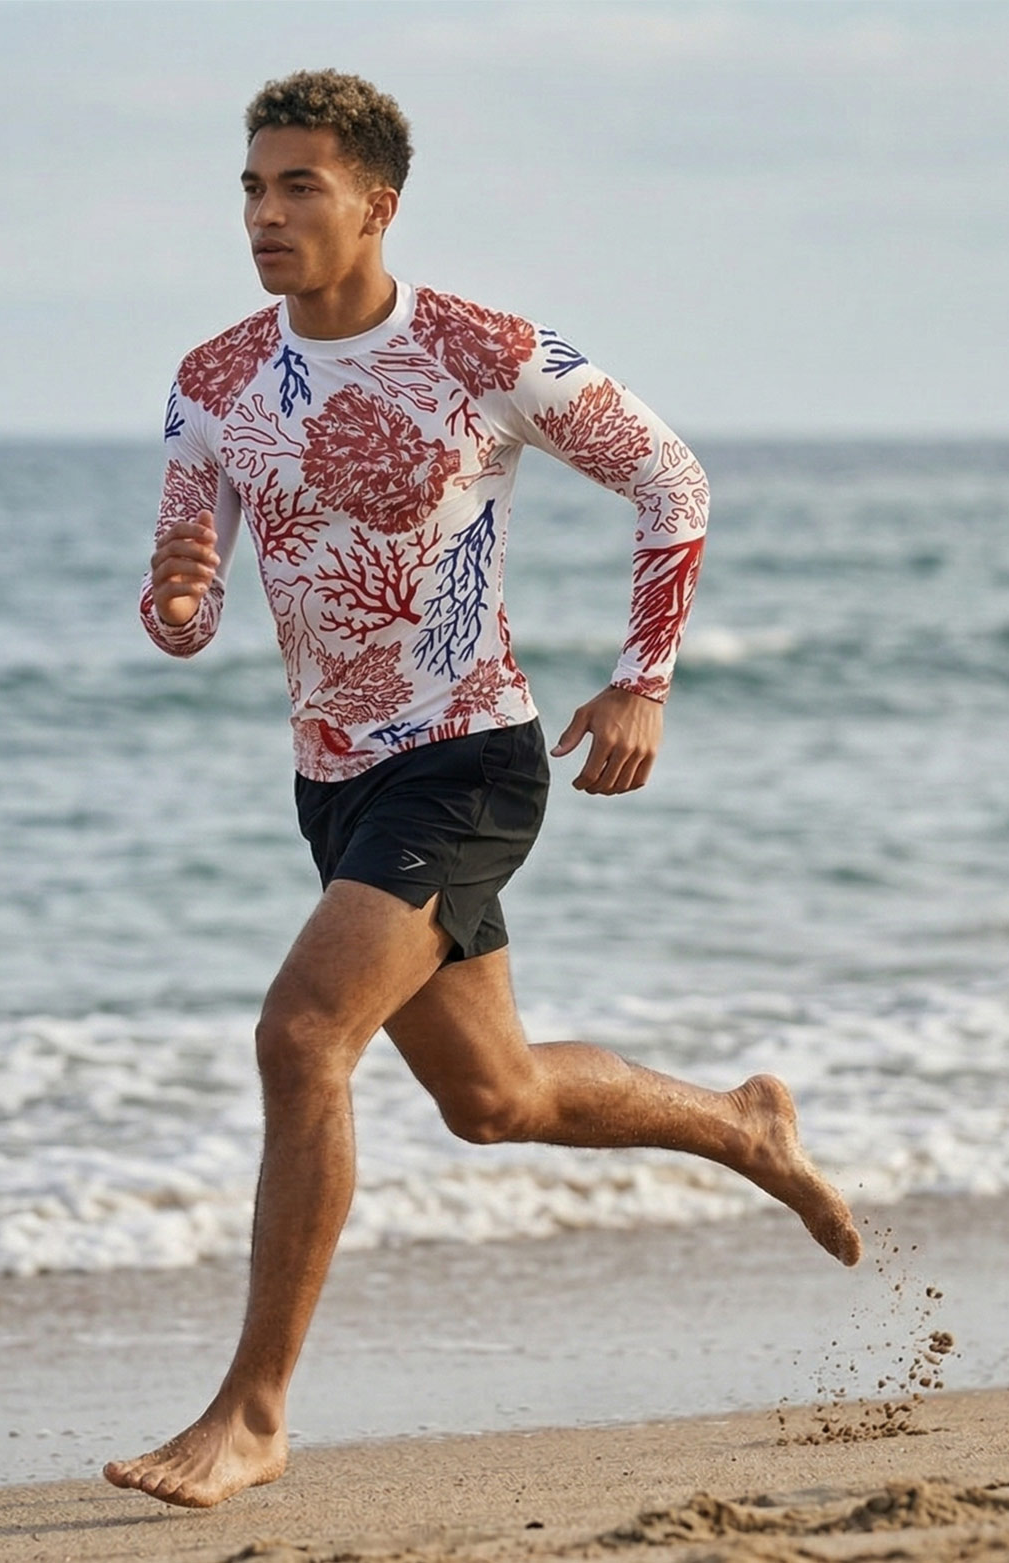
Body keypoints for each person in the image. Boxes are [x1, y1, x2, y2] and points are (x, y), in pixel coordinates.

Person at [104, 69, 861, 1511]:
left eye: (298, 186)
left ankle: (252, 1414)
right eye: (252, 188)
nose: (265, 214)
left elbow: (671, 482)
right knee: (494, 1101)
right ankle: (743, 1125)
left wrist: (643, 679)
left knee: (299, 1038)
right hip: (331, 782)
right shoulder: (210, 381)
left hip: (463, 759)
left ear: (375, 203)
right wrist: (178, 591)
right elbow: (183, 617)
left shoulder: (478, 348)